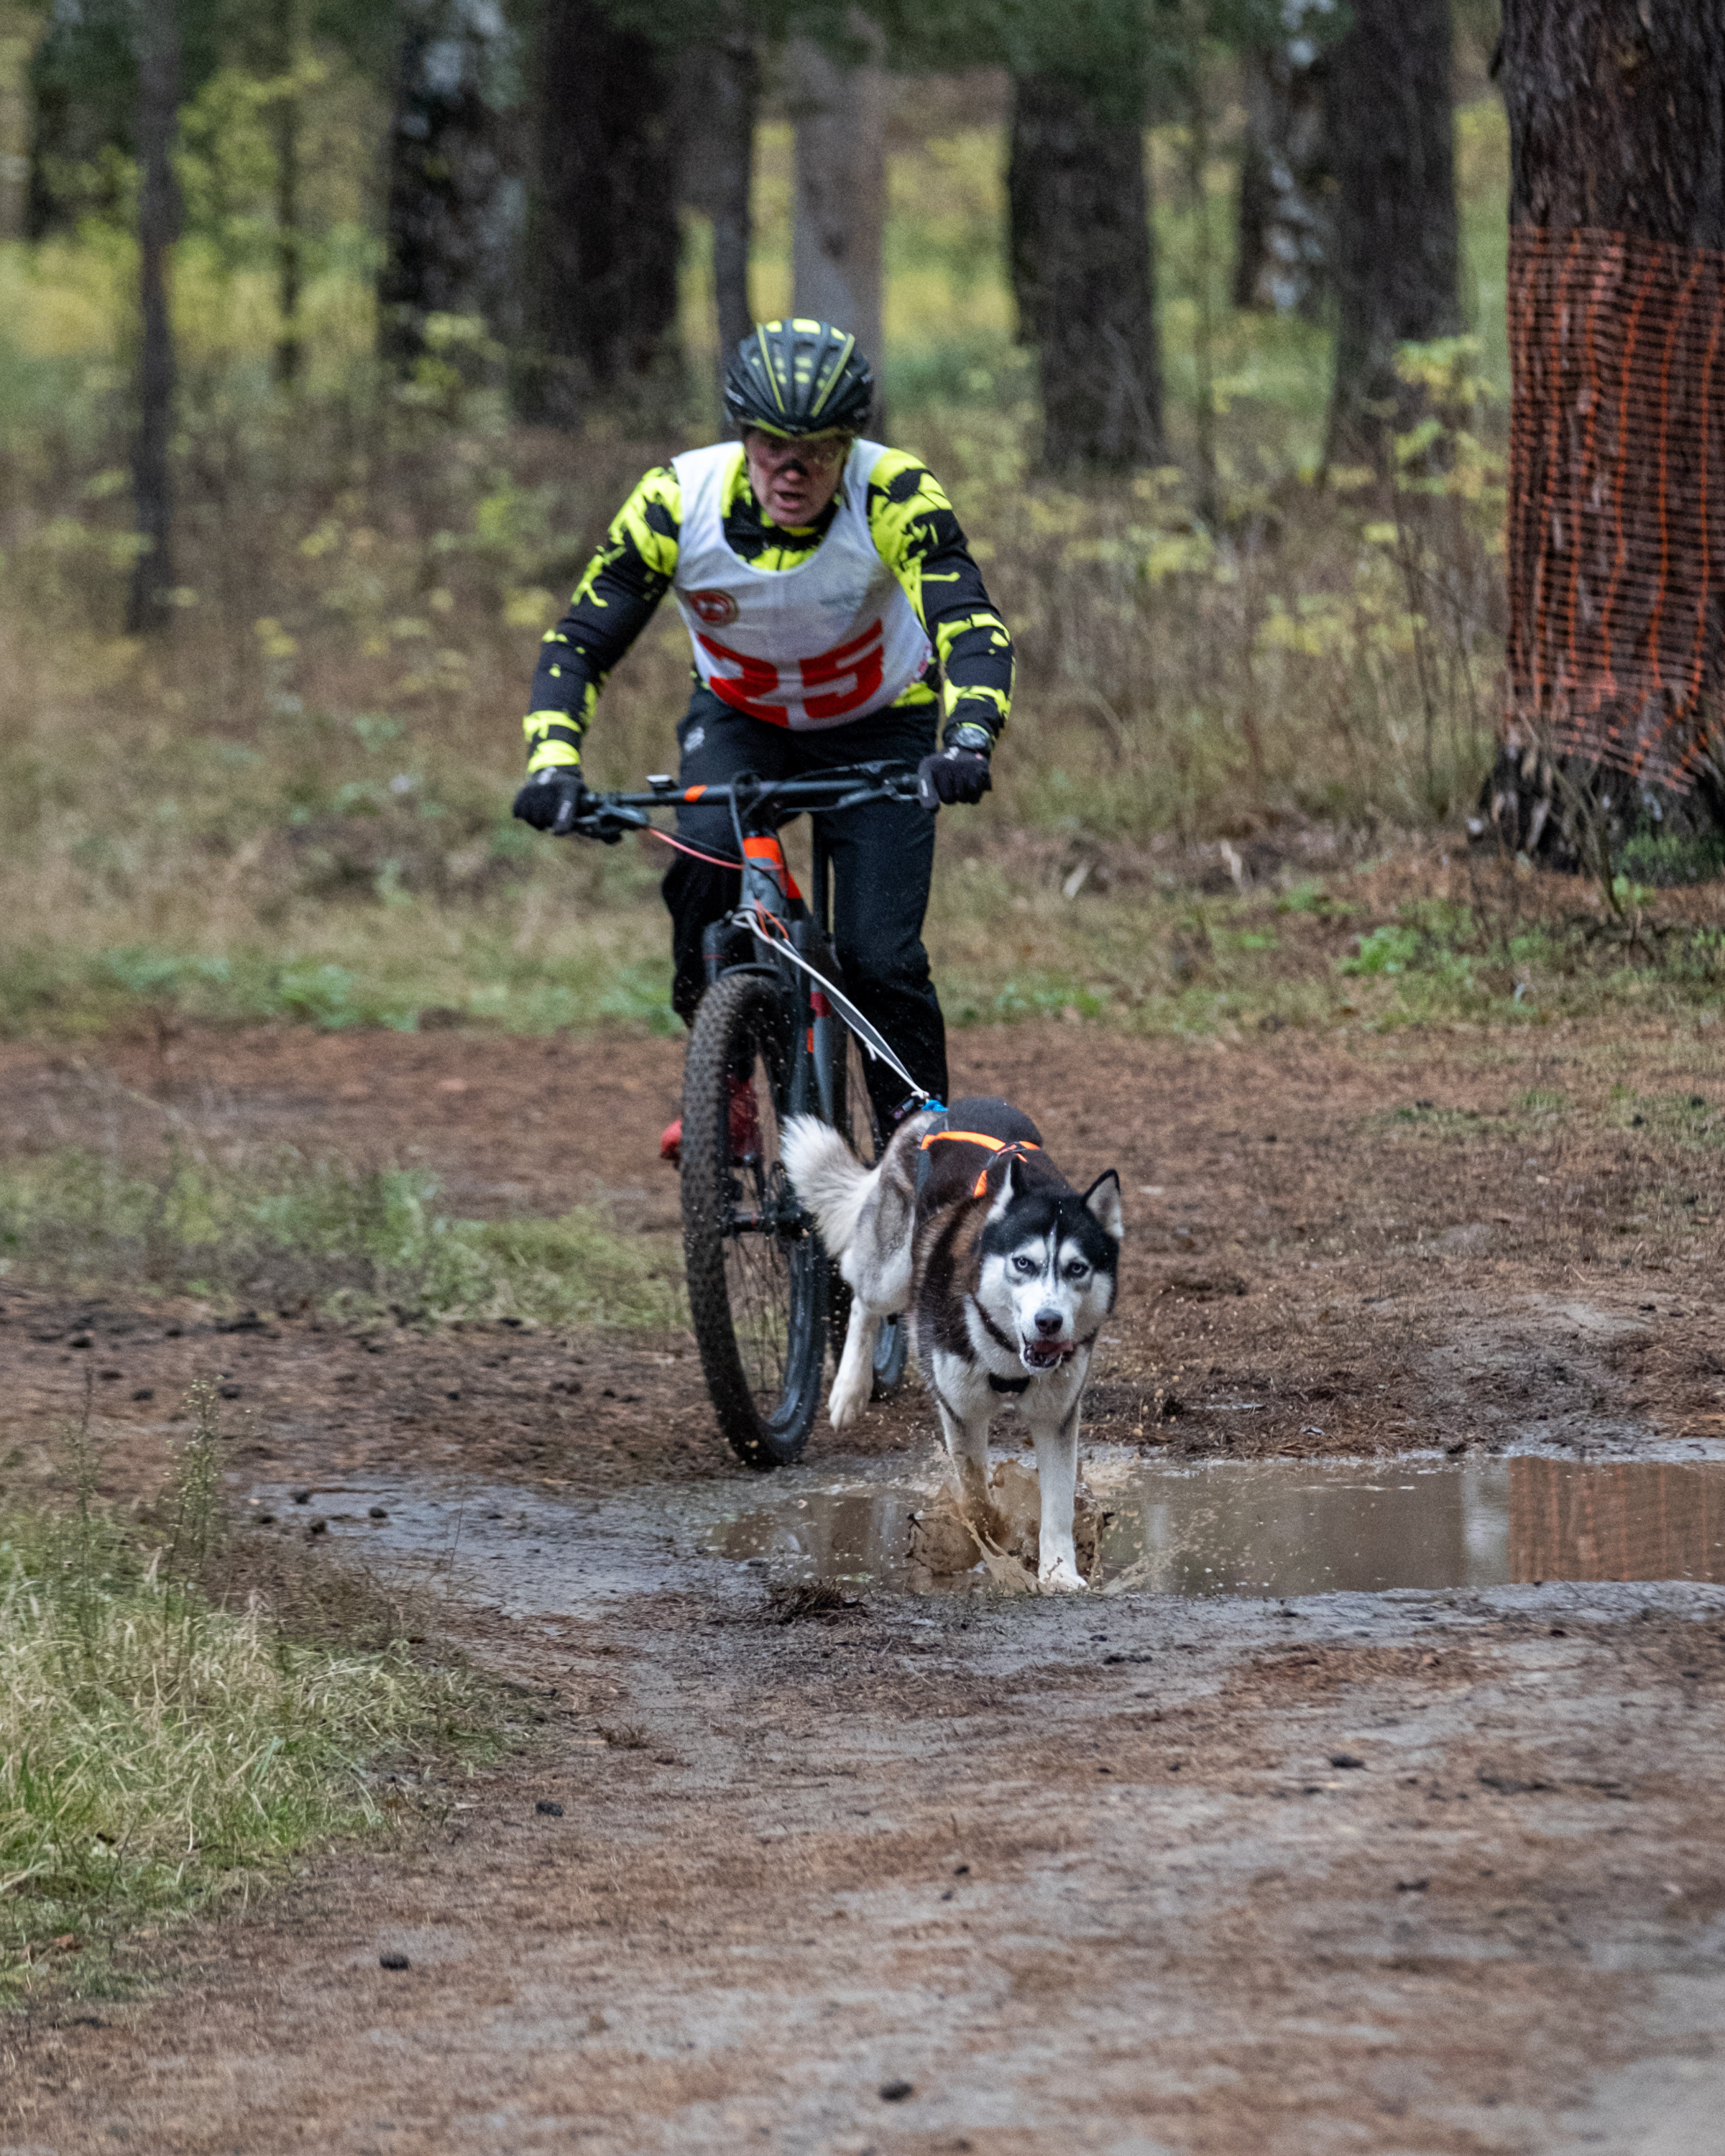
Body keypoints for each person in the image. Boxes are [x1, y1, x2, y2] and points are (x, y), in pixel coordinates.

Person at [512, 318, 1015, 1159]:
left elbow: (967, 622)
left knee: (878, 956)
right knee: (702, 870)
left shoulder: (893, 493)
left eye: (820, 447)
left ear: (848, 445)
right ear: (741, 435)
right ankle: (732, 1082)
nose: (795, 467)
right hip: (741, 720)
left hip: (883, 723)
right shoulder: (676, 501)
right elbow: (581, 643)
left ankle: (921, 1147)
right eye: (773, 443)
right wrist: (553, 764)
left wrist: (967, 739)